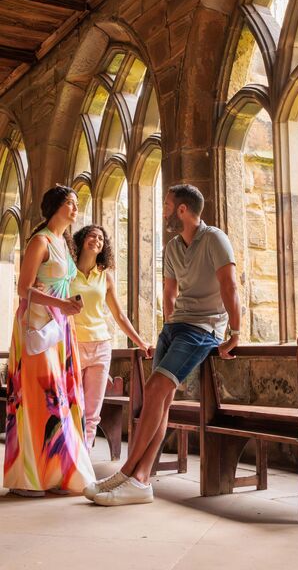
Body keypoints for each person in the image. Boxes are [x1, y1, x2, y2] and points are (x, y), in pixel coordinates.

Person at [84, 183, 241, 506]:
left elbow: (230, 285)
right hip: (174, 329)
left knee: (155, 390)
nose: (164, 210)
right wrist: (168, 326)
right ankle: (140, 481)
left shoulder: (214, 239)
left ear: (182, 210)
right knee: (162, 401)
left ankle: (126, 473)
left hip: (201, 330)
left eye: (167, 205)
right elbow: (169, 294)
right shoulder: (172, 246)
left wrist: (236, 332)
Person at [3, 185, 95, 497]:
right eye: (71, 203)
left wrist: (71, 304)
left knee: (62, 396)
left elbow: (58, 287)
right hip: (37, 328)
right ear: (55, 206)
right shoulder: (40, 241)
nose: (75, 209)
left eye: (77, 203)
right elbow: (23, 289)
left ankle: (58, 472)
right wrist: (62, 305)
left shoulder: (64, 243)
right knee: (41, 395)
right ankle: (30, 476)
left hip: (60, 328)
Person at [71, 224, 150, 451]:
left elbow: (119, 315)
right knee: (72, 406)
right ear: (81, 240)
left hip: (100, 346)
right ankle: (68, 461)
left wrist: (140, 342)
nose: (96, 240)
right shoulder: (67, 271)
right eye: (91, 236)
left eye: (101, 238)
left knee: (92, 412)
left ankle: (83, 464)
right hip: (73, 345)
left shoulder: (105, 277)